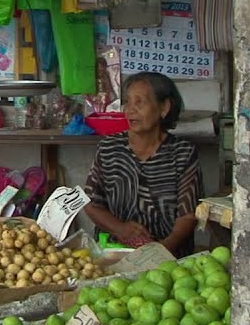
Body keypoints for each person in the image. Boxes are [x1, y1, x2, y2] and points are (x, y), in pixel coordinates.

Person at [83, 71, 203, 256]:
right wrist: (120, 229)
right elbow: (90, 204)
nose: (131, 109)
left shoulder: (182, 153)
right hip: (115, 254)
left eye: (140, 102)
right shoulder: (109, 148)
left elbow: (188, 215)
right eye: (128, 102)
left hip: (170, 257)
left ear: (164, 107)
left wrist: (161, 251)